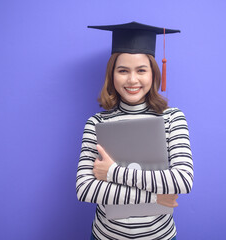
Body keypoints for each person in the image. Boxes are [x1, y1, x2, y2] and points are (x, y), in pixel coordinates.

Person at [76, 22, 194, 240]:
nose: (132, 79)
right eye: (123, 71)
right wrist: (156, 198)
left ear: (153, 74)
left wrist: (112, 173)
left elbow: (182, 180)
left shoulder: (172, 118)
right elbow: (85, 189)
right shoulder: (96, 123)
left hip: (160, 236)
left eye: (141, 70)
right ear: (112, 74)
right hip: (106, 236)